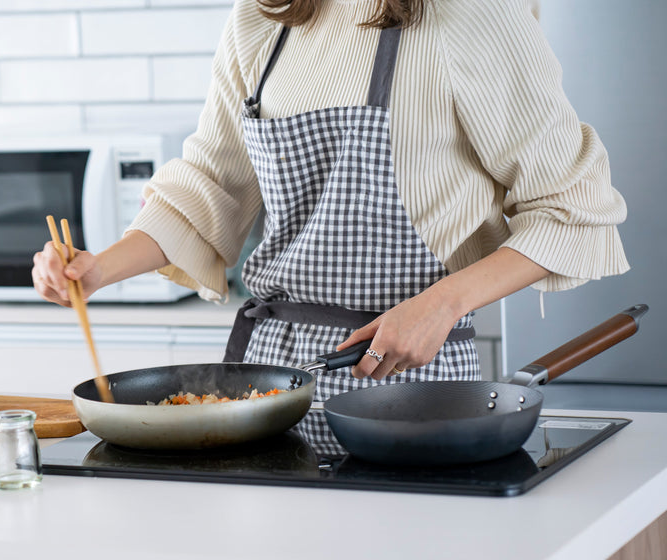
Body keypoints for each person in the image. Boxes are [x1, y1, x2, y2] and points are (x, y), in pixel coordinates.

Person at [33, 0, 628, 412]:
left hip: (410, 384)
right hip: (270, 389)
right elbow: (212, 184)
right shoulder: (262, 18)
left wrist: (442, 305)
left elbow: (572, 206)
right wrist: (98, 269)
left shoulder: (471, 13)